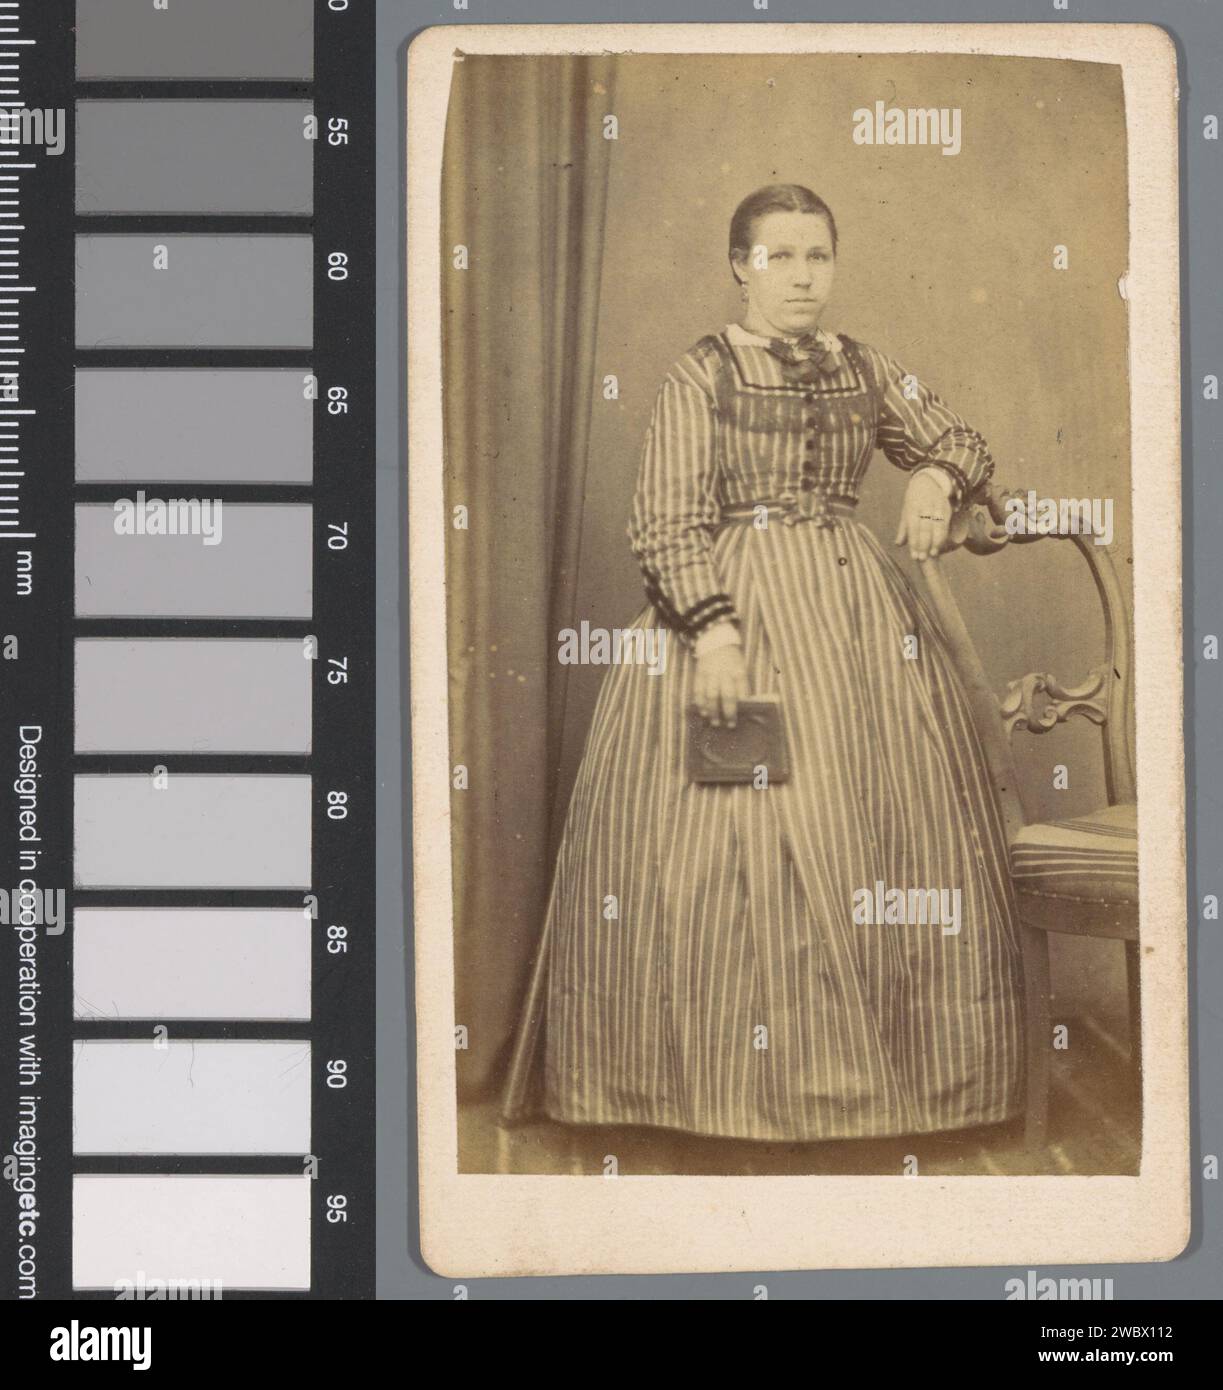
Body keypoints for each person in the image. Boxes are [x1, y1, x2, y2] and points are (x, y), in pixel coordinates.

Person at [502, 183, 1024, 1144]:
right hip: (729, 607)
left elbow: (960, 439)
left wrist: (935, 473)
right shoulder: (701, 374)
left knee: (877, 825)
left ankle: (891, 1094)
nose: (800, 276)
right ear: (740, 266)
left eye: (816, 255)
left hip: (859, 619)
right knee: (732, 844)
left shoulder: (860, 366)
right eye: (777, 256)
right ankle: (716, 1095)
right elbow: (663, 522)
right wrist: (713, 630)